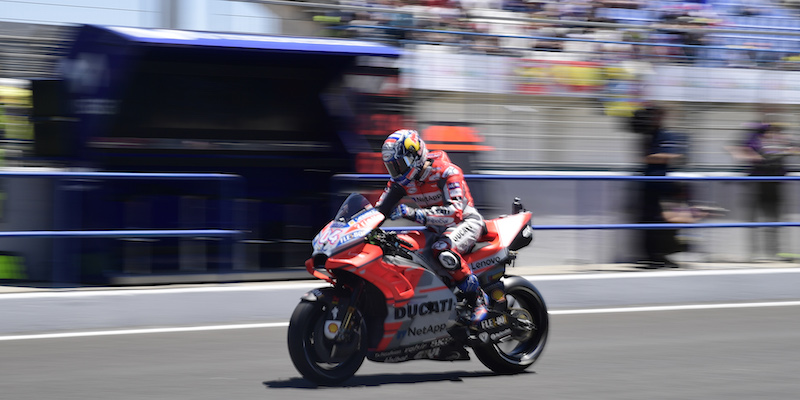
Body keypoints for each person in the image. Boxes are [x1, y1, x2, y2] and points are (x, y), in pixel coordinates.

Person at [375, 129, 489, 325]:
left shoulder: (447, 172)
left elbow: (454, 213)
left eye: (400, 164)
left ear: (415, 156)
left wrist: (412, 213)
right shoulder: (401, 181)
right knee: (403, 248)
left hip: (465, 223)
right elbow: (379, 210)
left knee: (441, 250)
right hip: (435, 228)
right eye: (392, 167)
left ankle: (477, 299)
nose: (397, 171)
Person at [727, 122, 799, 261]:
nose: (772, 135)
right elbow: (735, 150)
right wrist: (752, 156)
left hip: (775, 186)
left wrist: (788, 149)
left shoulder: (781, 142)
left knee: (775, 221)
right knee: (754, 221)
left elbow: (794, 149)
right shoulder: (753, 141)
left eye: (775, 132)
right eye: (769, 132)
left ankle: (776, 252)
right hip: (755, 186)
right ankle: (753, 253)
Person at [632, 104, 688, 268]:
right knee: (651, 222)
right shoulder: (648, 134)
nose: (660, 118)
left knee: (664, 222)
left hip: (661, 185)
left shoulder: (663, 134)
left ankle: (660, 255)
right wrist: (672, 154)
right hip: (650, 185)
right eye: (658, 115)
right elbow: (647, 157)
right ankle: (652, 256)